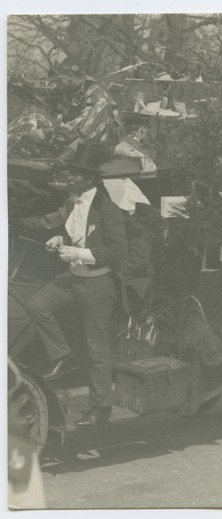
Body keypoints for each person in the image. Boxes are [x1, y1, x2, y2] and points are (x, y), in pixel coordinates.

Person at [25, 144, 128, 427]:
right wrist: (60, 241)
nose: (70, 177)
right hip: (73, 278)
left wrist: (79, 254)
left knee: (97, 347)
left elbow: (119, 252)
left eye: (76, 174)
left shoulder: (108, 209)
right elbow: (75, 234)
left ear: (92, 179)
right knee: (37, 305)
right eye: (70, 172)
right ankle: (64, 356)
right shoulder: (73, 203)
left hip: (97, 282)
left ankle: (101, 408)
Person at [28, 56, 124, 160]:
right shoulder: (72, 88)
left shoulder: (97, 93)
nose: (57, 81)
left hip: (100, 147)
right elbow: (41, 89)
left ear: (70, 76)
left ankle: (58, 163)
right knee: (32, 114)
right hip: (79, 142)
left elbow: (82, 126)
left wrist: (48, 132)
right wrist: (12, 82)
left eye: (59, 77)